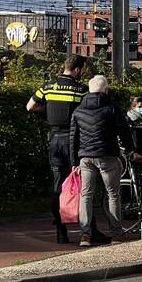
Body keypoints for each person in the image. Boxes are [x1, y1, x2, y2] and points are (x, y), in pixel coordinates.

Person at [69, 76, 139, 247]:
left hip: (85, 158)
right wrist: (131, 150)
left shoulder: (78, 111)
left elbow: (73, 139)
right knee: (113, 194)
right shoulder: (112, 108)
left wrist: (74, 161)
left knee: (86, 195)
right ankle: (115, 233)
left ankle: (85, 235)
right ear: (105, 90)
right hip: (107, 155)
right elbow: (124, 131)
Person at [27, 54, 88, 244]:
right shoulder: (81, 89)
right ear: (77, 69)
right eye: (83, 69)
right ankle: (87, 230)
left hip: (54, 140)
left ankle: (60, 232)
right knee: (83, 186)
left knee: (58, 186)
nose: (83, 73)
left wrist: (48, 110)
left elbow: (30, 106)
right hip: (74, 141)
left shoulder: (47, 87)